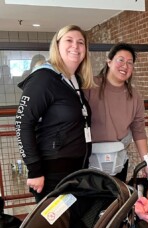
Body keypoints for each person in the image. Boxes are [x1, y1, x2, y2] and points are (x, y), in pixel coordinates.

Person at [15, 25, 93, 202]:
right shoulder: (43, 78)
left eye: (81, 42)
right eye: (69, 40)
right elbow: (22, 124)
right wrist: (35, 170)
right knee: (55, 227)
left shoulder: (74, 80)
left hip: (77, 170)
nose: (75, 46)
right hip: (53, 174)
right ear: (57, 46)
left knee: (74, 225)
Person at [85, 43, 148, 182]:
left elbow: (139, 130)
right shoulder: (89, 86)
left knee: (118, 201)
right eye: (120, 60)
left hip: (118, 159)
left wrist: (147, 163)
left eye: (130, 63)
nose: (125, 66)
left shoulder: (135, 96)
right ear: (109, 61)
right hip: (89, 158)